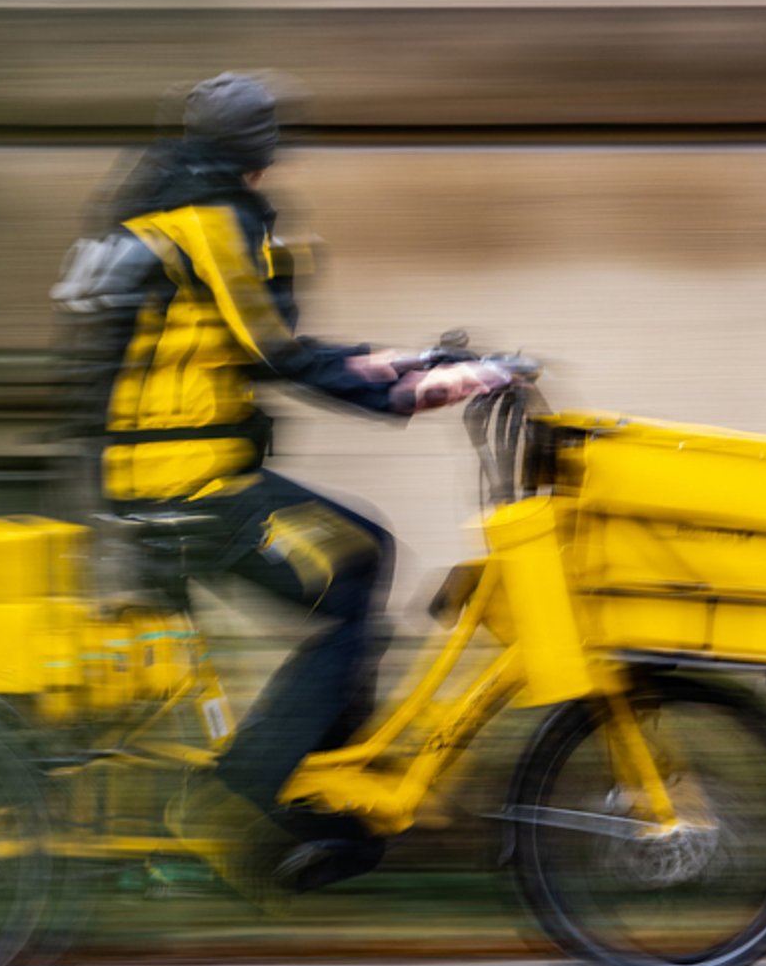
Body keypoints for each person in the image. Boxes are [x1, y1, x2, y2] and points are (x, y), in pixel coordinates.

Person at [55, 72, 510, 898]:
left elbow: (264, 343)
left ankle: (317, 794)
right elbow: (276, 351)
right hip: (185, 486)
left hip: (158, 474)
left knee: (359, 559)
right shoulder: (211, 223)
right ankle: (239, 803)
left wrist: (411, 362)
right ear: (260, 155)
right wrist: (411, 392)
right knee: (355, 567)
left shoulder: (164, 207)